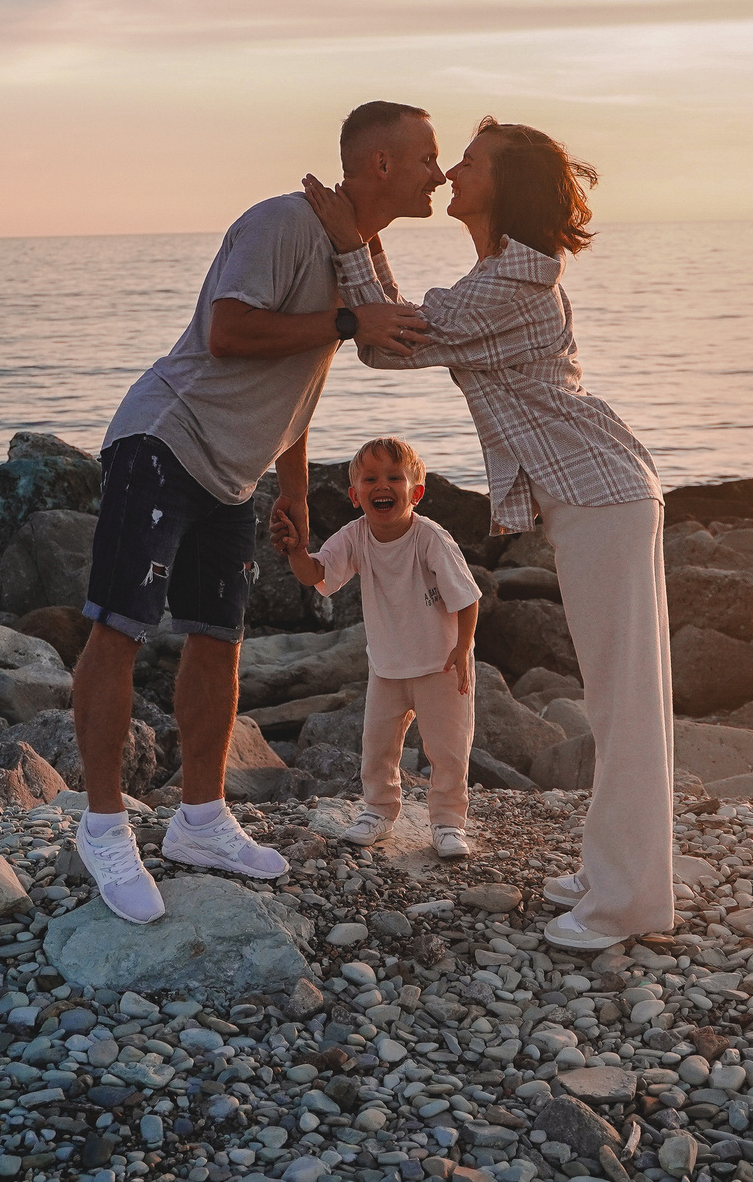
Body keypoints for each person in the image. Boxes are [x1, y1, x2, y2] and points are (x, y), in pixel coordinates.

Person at [67, 101, 446, 926]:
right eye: (426, 157)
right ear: (378, 163)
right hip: (167, 437)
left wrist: (297, 489)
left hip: (236, 474)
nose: (439, 173)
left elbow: (304, 375)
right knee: (119, 626)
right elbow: (229, 330)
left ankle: (200, 819)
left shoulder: (356, 251)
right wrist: (348, 318)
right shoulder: (284, 222)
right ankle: (102, 826)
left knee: (219, 640)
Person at [301, 118, 671, 951]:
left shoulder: (514, 281)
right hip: (598, 494)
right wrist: (358, 248)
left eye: (465, 162)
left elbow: (389, 346)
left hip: (602, 496)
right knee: (623, 700)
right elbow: (393, 336)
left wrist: (350, 239)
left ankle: (628, 900)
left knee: (625, 707)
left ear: (504, 186)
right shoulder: (501, 274)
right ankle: (616, 869)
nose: (450, 173)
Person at [270, 435, 484, 860]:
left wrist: (463, 648)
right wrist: (295, 549)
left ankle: (447, 822)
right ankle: (378, 811)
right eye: (370, 479)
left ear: (415, 492)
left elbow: (468, 596)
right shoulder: (355, 537)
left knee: (447, 749)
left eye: (394, 477)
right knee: (378, 746)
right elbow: (315, 573)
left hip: (441, 663)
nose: (382, 485)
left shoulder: (430, 539)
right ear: (355, 495)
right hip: (386, 665)